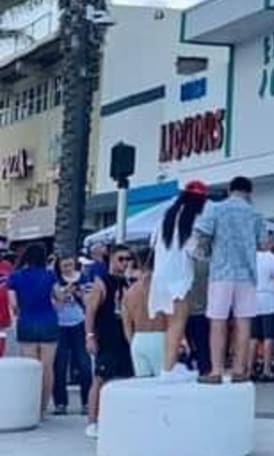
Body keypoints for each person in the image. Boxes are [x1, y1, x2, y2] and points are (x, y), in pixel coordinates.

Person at [194, 176, 267, 384]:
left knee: (218, 321)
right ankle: (239, 370)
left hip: (221, 272)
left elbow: (203, 235)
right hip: (247, 275)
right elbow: (263, 244)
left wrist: (206, 252)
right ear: (249, 192)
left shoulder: (215, 209)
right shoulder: (255, 213)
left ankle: (216, 370)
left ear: (230, 189)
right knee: (244, 322)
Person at [149, 181, 208, 377]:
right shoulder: (191, 221)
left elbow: (152, 243)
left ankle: (168, 366)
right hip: (180, 280)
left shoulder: (165, 218)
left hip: (161, 278)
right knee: (178, 325)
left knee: (169, 326)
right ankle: (168, 370)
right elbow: (196, 252)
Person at [85, 245, 136, 439]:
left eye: (128, 259)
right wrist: (89, 336)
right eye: (121, 259)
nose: (125, 263)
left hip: (125, 337)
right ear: (112, 259)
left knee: (125, 377)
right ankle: (92, 420)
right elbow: (90, 310)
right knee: (99, 378)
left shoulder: (130, 283)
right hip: (106, 337)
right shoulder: (102, 283)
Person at [9, 243, 59, 418]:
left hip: (27, 322)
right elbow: (58, 296)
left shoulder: (15, 277)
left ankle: (30, 407)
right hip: (48, 321)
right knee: (47, 367)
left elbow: (14, 305)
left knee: (31, 367)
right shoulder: (49, 276)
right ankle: (43, 409)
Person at [52, 254, 93, 415]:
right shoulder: (55, 281)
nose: (68, 269)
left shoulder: (83, 278)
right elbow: (56, 304)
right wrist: (63, 293)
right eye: (64, 266)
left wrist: (80, 294)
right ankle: (60, 402)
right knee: (60, 365)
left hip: (79, 323)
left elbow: (89, 301)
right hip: (60, 325)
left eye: (70, 265)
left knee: (84, 363)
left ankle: (87, 401)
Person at [123, 247, 168, 378]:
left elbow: (126, 325)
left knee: (143, 384)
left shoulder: (130, 291)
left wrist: (133, 343)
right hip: (160, 335)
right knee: (162, 384)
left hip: (139, 338)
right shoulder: (163, 286)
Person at [253, 239, 274, 381]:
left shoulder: (250, 258)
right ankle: (267, 369)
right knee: (269, 336)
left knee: (253, 337)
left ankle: (249, 367)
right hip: (271, 301)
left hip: (253, 300)